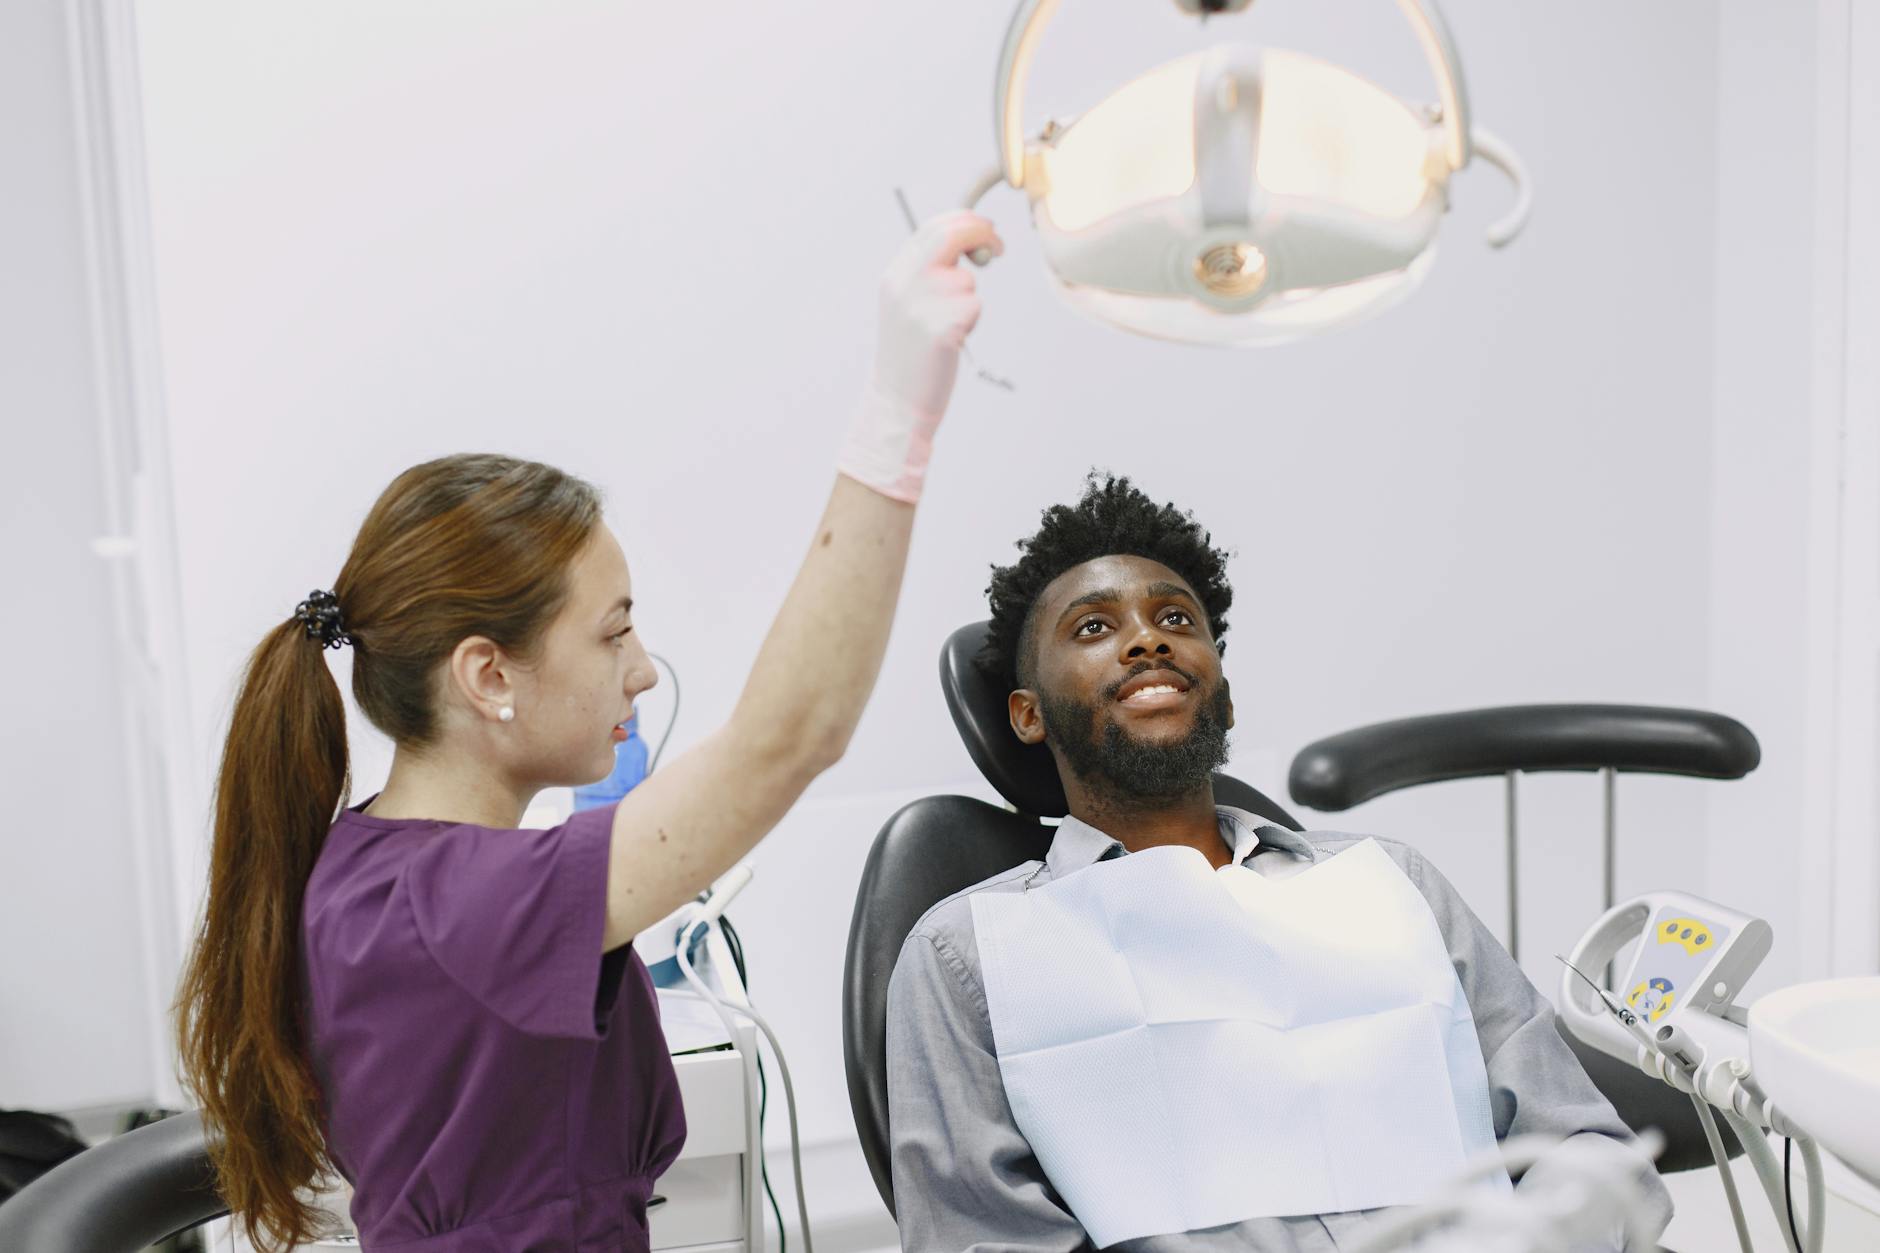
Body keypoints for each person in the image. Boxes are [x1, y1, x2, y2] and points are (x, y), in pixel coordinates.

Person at [172, 211, 1003, 1252]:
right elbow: (790, 734)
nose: (645, 668)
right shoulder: (461, 906)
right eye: (612, 631)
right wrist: (897, 414)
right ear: (488, 674)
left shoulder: (371, 869)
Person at [885, 472, 1672, 1253]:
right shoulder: (968, 956)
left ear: (1223, 696)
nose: (1146, 638)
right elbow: (982, 1239)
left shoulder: (1391, 883)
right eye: (1093, 627)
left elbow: (1585, 1148)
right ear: (1027, 713)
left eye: (1174, 618)